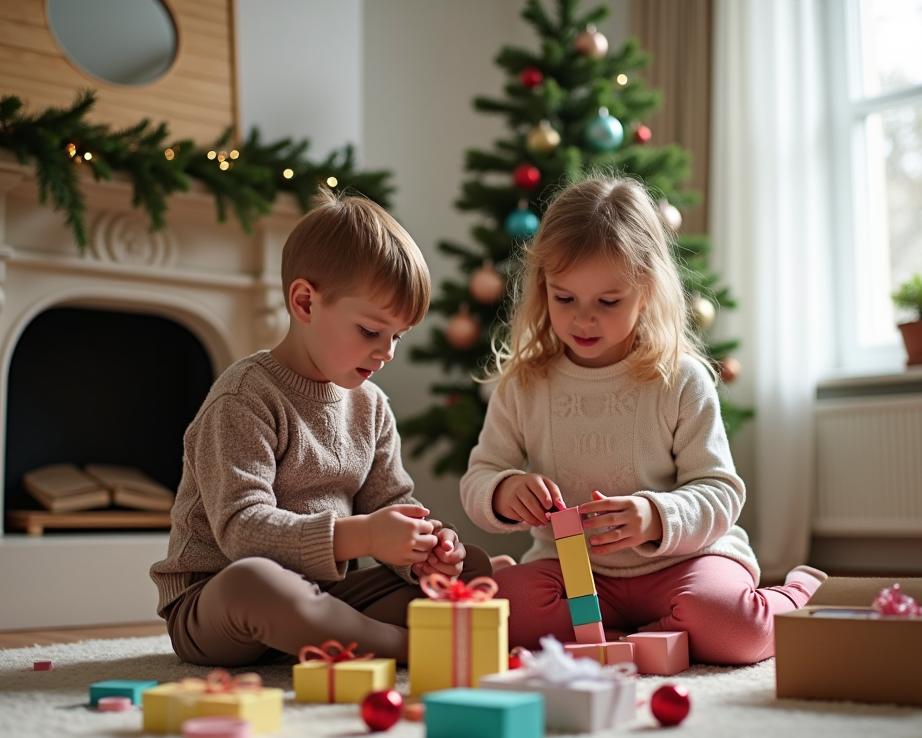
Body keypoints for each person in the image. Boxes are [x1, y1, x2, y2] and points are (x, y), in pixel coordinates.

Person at [460, 175, 824, 664]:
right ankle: (637, 637)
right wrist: (504, 491)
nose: (583, 319)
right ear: (543, 286)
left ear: (647, 290)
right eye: (564, 298)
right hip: (573, 573)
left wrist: (656, 517)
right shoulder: (524, 384)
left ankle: (798, 592)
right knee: (495, 615)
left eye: (608, 302)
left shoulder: (681, 378)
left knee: (737, 629)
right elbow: (479, 476)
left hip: (683, 562)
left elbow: (721, 491)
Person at [152, 189, 491, 667]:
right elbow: (242, 531)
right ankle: (404, 647)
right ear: (305, 302)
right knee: (256, 582)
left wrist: (424, 550)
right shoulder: (243, 397)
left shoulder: (372, 406)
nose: (387, 352)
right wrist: (365, 537)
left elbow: (391, 504)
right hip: (218, 603)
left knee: (472, 569)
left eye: (397, 336)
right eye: (371, 331)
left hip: (324, 595)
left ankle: (338, 637)